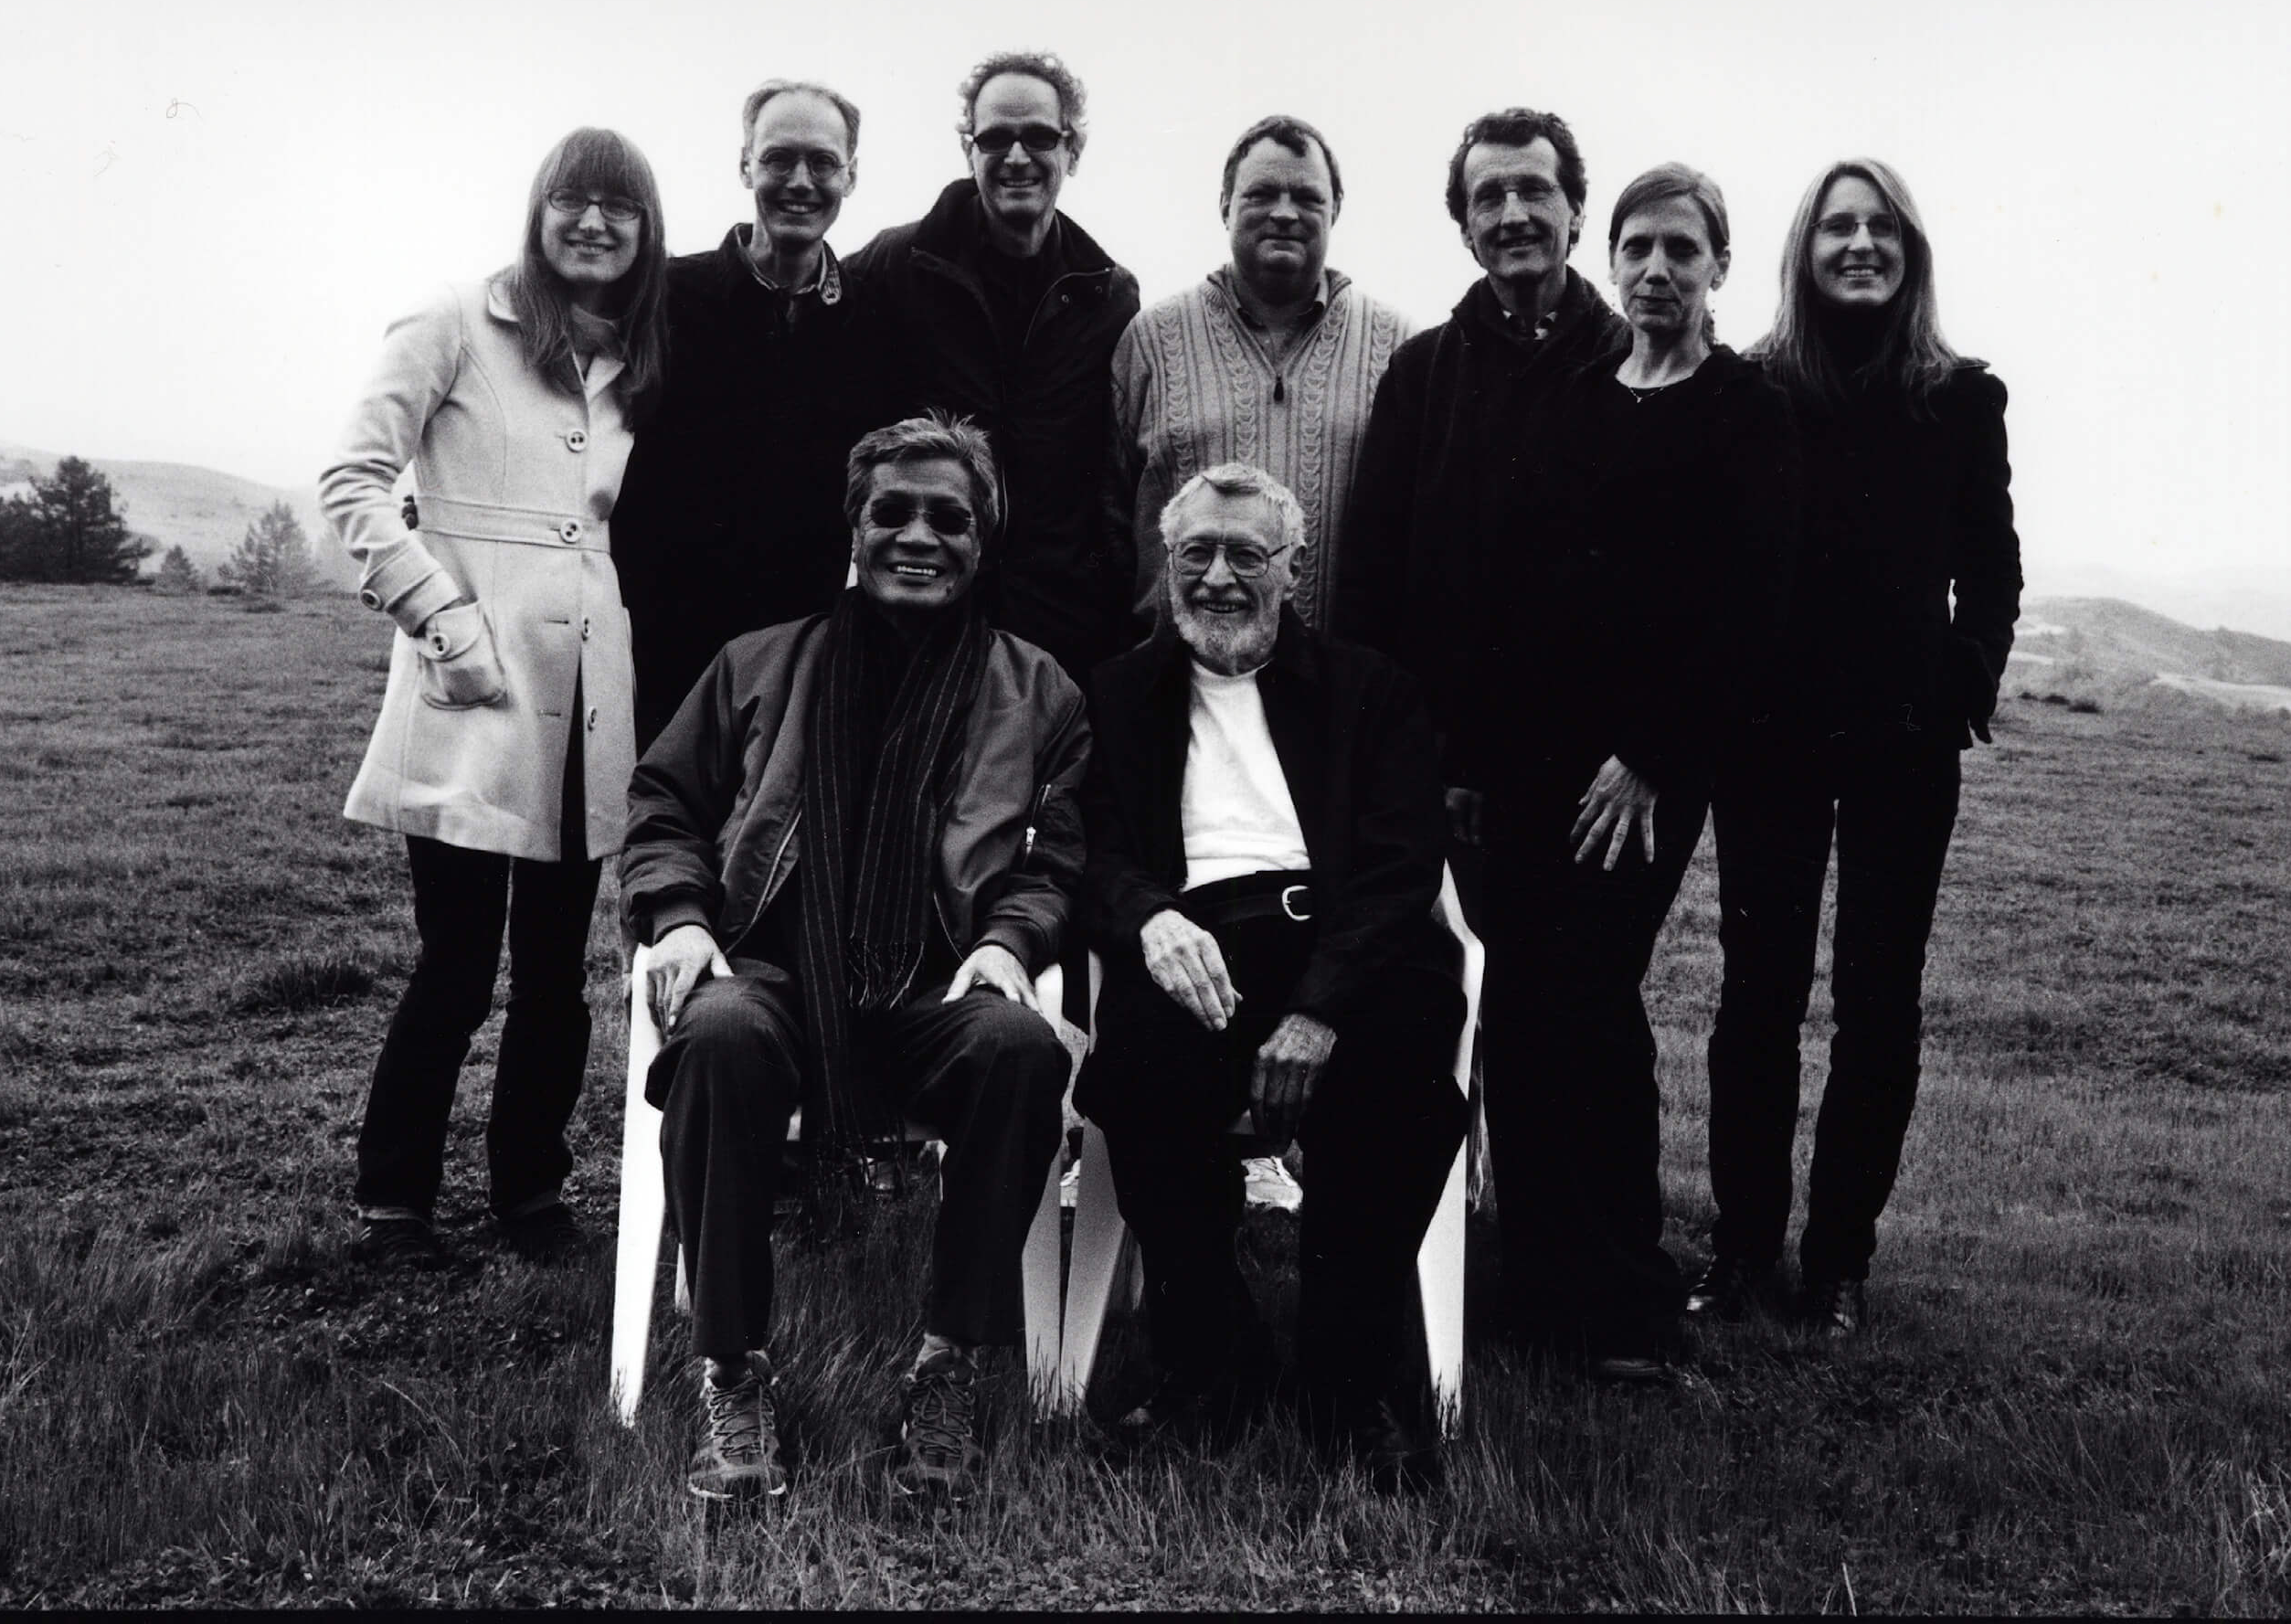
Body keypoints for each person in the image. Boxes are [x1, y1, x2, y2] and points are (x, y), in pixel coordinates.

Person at [623, 412, 1089, 1507]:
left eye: (949, 518)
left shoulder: (1040, 691)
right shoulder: (758, 663)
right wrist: (683, 916)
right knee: (722, 1029)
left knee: (1022, 1049)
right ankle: (731, 1373)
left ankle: (948, 1371)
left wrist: (1009, 944)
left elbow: (1055, 856)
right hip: (774, 979)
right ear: (856, 526)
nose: (918, 536)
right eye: (894, 512)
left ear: (985, 542)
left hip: (938, 989)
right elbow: (663, 805)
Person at [1074, 463, 1466, 1495]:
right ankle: (1212, 1364)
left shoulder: (1368, 689)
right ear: (1167, 564)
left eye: (1246, 554)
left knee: (1403, 1075)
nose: (1217, 578)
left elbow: (1400, 868)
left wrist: (1319, 1012)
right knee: (1139, 1073)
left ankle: (1351, 1381)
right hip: (1195, 945)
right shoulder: (1117, 695)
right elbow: (1094, 848)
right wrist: (1148, 917)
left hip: (1349, 949)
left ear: (1292, 570)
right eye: (1195, 553)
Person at [1469, 165, 1800, 1378]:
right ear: (1608, 260)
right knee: (1518, 1008)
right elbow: (1522, 581)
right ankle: (1535, 1279)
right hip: (1528, 759)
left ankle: (1622, 1299)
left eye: (1681, 249)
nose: (1656, 269)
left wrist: (1652, 758)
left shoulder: (1743, 409)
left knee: (1591, 1003)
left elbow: (1748, 608)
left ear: (1717, 263)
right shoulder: (1572, 395)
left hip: (1644, 775)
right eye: (1638, 248)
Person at [321, 127, 669, 1269]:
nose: (595, 223)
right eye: (574, 199)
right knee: (458, 963)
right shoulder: (453, 321)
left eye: (620, 206)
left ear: (644, 228)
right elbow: (354, 480)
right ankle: (394, 1202)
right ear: (540, 208)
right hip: (473, 684)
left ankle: (531, 1194)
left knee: (559, 976)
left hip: (588, 697)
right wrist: (440, 614)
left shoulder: (636, 353)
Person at [1690, 159, 2021, 1338]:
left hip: (1902, 744)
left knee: (1879, 1006)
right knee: (1758, 1000)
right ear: (1805, 247)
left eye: (1882, 227)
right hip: (1769, 740)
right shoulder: (1759, 388)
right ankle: (1739, 1254)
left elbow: (1991, 570)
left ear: (1911, 249)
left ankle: (1838, 1264)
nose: (1861, 244)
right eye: (1839, 226)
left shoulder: (1962, 398)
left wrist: (1960, 687)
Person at [1331, 106, 1630, 848]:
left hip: (1601, 778)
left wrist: (1640, 751)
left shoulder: (1634, 363)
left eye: (1535, 190)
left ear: (1578, 211)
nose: (1514, 215)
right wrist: (1424, 757)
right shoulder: (1421, 372)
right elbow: (1374, 580)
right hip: (1453, 778)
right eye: (1488, 199)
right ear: (1465, 228)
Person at [612, 80, 900, 752]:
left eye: (823, 163)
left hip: (796, 669)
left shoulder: (876, 324)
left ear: (851, 176)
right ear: (745, 165)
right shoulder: (663, 297)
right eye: (778, 159)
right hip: (656, 664)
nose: (800, 181)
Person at [849, 50, 1141, 685]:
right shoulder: (897, 264)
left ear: (1073, 149)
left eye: (1038, 137)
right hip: (916, 615)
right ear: (968, 149)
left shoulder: (1109, 295)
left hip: (1060, 635)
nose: (1016, 157)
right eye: (995, 138)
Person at [1110, 115, 1412, 632]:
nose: (1285, 212)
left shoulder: (1397, 348)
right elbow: (1108, 525)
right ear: (1224, 205)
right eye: (1262, 194)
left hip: (1342, 689)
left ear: (1335, 210)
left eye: (1308, 197)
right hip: (1176, 686)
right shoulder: (1151, 341)